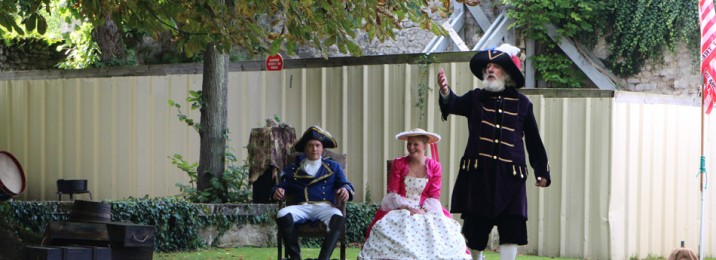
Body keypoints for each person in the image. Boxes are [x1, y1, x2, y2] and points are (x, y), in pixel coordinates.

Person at [437, 43, 552, 260]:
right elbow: (453, 104)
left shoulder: (523, 104)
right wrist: (445, 92)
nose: (490, 69)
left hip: (512, 179)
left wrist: (542, 171)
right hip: (479, 177)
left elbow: (534, 141)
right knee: (474, 232)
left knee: (512, 229)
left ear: (506, 73)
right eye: (487, 67)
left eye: (495, 66)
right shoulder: (474, 98)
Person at [358, 128, 471, 260]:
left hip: (426, 208)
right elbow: (392, 193)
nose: (411, 147)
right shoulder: (399, 163)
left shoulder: (434, 166)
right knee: (392, 226)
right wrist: (407, 208)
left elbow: (434, 195)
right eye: (409, 144)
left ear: (424, 145)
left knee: (440, 229)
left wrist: (423, 210)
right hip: (400, 207)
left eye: (415, 144)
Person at [273, 126, 355, 260]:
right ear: (305, 148)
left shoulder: (333, 167)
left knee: (338, 215)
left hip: (325, 206)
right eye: (310, 145)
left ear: (323, 149)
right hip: (302, 206)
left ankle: (323, 258)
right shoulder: (293, 168)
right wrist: (278, 190)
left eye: (317, 145)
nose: (314, 149)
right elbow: (281, 185)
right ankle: (295, 257)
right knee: (282, 213)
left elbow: (345, 184)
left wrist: (345, 190)